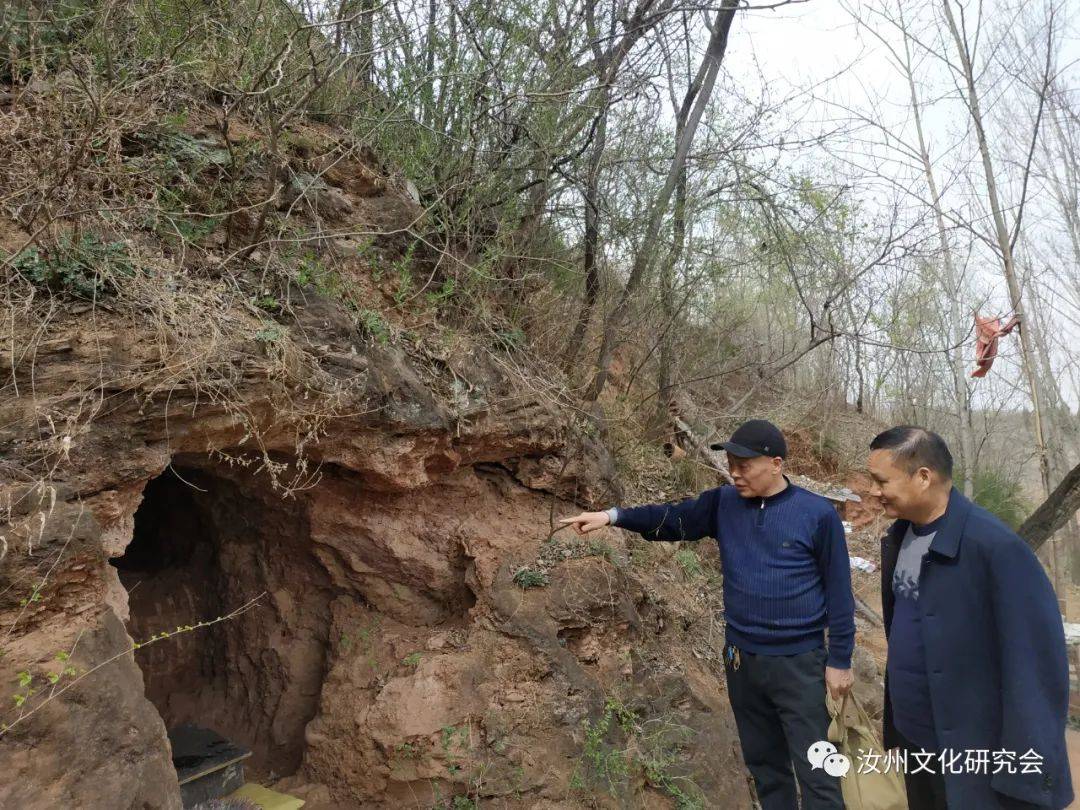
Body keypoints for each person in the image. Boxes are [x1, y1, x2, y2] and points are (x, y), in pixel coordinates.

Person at [561, 419, 855, 810]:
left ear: (776, 464)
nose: (734, 472)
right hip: (742, 661)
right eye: (731, 462)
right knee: (766, 766)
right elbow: (671, 518)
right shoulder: (723, 504)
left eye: (745, 464)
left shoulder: (817, 514)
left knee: (818, 771)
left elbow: (839, 590)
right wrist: (613, 516)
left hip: (800, 663)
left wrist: (840, 660)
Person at [867, 426, 1074, 810]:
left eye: (882, 481)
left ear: (923, 477)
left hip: (972, 754)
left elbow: (1039, 671)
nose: (873, 491)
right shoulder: (900, 538)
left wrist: (1027, 778)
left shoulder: (996, 549)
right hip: (918, 743)